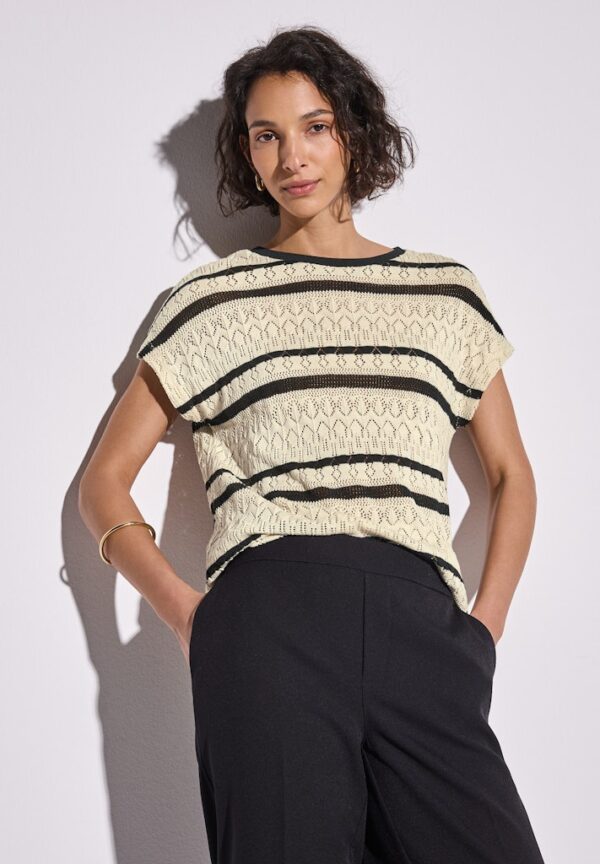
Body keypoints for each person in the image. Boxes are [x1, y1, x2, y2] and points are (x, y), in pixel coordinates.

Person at [79, 24, 546, 864]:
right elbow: (104, 482)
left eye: (315, 126)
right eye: (267, 135)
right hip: (268, 625)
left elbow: (512, 475)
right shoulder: (211, 302)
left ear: (353, 131)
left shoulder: (445, 293)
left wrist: (484, 629)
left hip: (422, 626)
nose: (293, 155)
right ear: (248, 154)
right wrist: (187, 614)